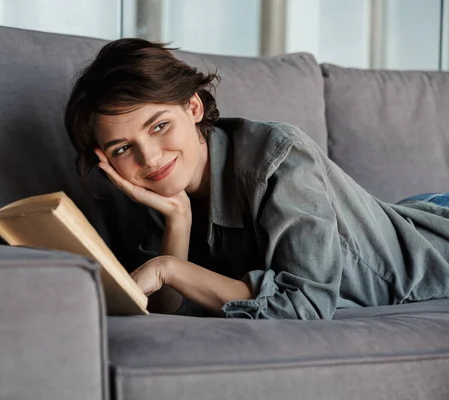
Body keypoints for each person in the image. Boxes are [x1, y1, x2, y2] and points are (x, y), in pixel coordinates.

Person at [64, 38, 449, 319]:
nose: (149, 157)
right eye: (121, 149)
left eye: (160, 125)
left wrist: (170, 267)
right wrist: (177, 222)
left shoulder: (278, 158)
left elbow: (304, 306)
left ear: (193, 106)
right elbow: (166, 312)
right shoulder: (152, 193)